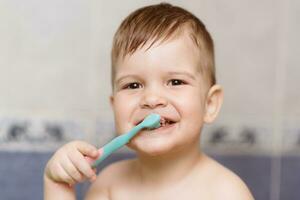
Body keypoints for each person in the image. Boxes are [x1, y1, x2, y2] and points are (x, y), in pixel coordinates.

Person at [44, 3, 254, 199]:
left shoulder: (226, 193)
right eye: (133, 85)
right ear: (114, 105)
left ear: (210, 104)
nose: (152, 99)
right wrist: (58, 185)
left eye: (175, 81)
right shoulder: (109, 184)